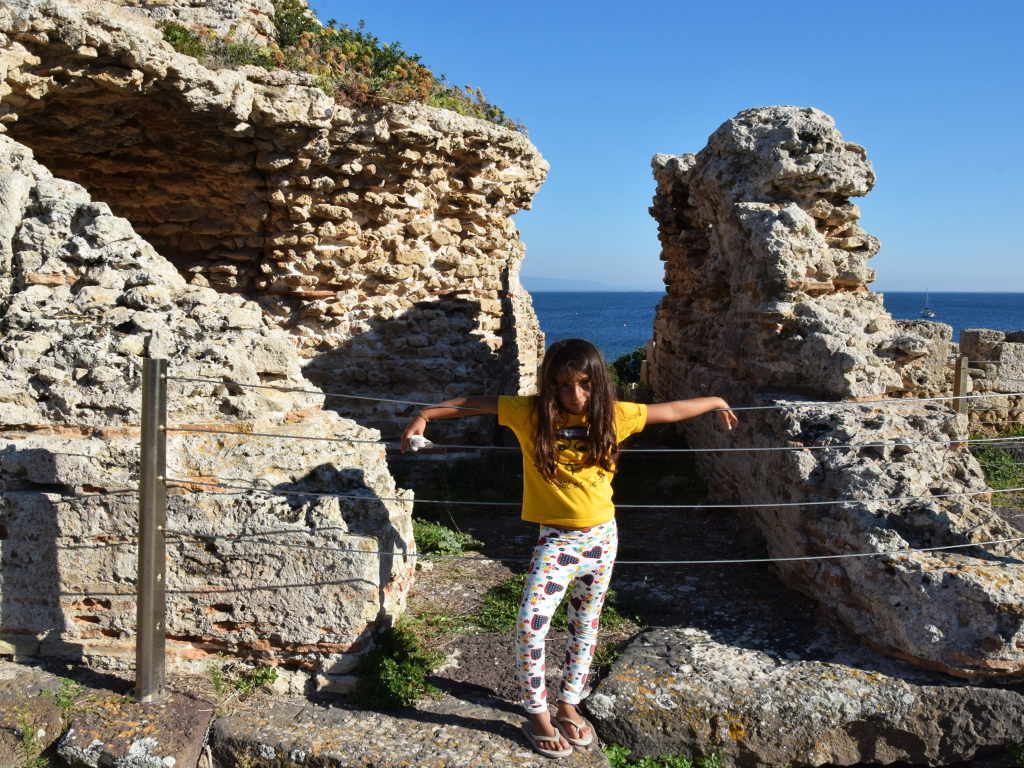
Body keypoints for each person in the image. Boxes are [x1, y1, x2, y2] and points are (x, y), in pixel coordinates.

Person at [402, 338, 737, 759]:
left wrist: (716, 400)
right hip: (556, 541)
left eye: (584, 384)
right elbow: (475, 403)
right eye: (562, 385)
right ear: (549, 386)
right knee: (530, 624)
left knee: (586, 624)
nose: (575, 395)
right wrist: (425, 415)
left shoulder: (614, 414)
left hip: (603, 538)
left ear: (599, 383)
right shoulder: (531, 413)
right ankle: (537, 714)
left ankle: (568, 704)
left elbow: (667, 412)